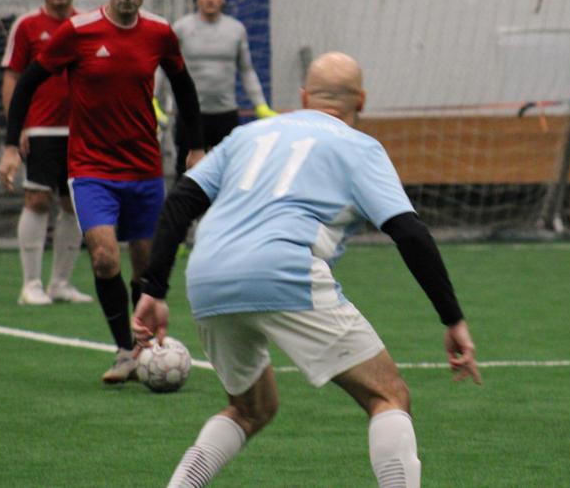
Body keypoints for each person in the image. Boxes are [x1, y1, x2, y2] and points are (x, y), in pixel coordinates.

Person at [132, 51, 481, 487]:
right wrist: (452, 318)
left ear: (302, 96)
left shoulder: (248, 135)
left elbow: (182, 201)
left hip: (208, 274)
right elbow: (409, 232)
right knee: (388, 395)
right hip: (284, 271)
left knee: (250, 408)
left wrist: (154, 290)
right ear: (362, 100)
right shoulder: (360, 147)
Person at [0, 0, 206, 384]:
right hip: (91, 168)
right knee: (106, 258)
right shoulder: (78, 31)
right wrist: (10, 145)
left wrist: (196, 147)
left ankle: (144, 341)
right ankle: (125, 350)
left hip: (145, 169)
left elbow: (184, 87)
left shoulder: (160, 33)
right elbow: (28, 83)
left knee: (146, 268)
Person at [0, 0, 90, 306]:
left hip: (81, 132)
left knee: (75, 205)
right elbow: (12, 77)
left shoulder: (85, 25)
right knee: (38, 199)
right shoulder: (26, 26)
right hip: (39, 128)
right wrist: (16, 125)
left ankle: (60, 284)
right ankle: (31, 284)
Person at [169, 0, 277, 178]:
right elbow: (165, 67)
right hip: (190, 115)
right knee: (185, 174)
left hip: (224, 114)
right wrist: (154, 99)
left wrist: (260, 105)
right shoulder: (181, 28)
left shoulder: (236, 29)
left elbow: (247, 70)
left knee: (229, 173)